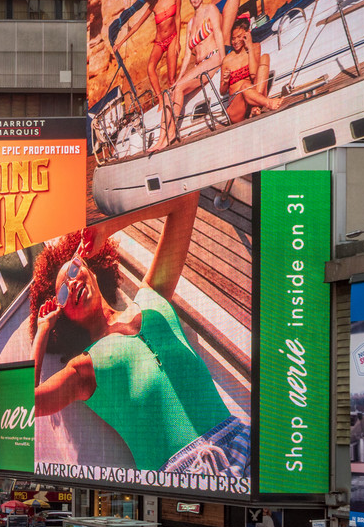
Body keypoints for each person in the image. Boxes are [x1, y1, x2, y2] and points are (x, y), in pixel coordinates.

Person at [31, 193, 248, 477]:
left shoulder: (152, 295)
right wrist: (43, 330)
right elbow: (25, 403)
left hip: (242, 441)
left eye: (73, 269)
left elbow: (185, 201)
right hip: (184, 478)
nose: (71, 284)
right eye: (62, 292)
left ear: (89, 267)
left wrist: (109, 227)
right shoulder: (84, 368)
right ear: (64, 316)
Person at [152, 0, 225, 151]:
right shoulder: (191, 23)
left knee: (178, 90)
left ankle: (171, 133)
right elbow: (186, 56)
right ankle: (161, 138)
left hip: (213, 58)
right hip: (199, 64)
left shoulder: (210, 10)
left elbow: (219, 34)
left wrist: (223, 58)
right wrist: (178, 79)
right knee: (169, 92)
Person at [108, 0, 182, 121]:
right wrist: (120, 42)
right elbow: (137, 25)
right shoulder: (154, 4)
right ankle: (160, 100)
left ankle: (175, 106)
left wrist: (178, 41)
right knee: (150, 68)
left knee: (171, 79)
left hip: (173, 37)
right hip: (159, 41)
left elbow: (178, 17)